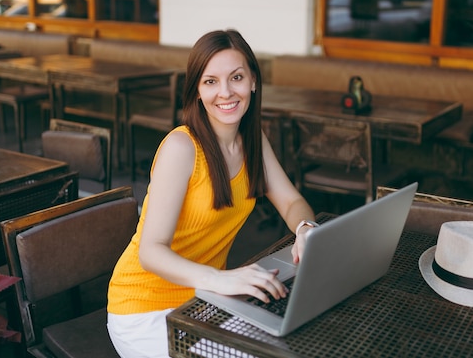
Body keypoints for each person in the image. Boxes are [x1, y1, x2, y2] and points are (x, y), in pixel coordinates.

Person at [107, 29, 316, 357]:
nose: (226, 92)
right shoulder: (182, 147)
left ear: (253, 82)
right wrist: (220, 280)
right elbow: (151, 251)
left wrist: (305, 229)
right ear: (197, 91)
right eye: (210, 82)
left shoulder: (252, 140)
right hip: (144, 308)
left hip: (205, 300)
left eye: (236, 77)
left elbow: (291, 201)